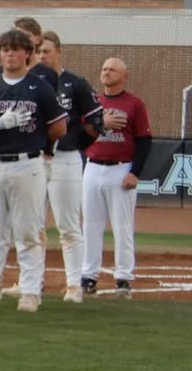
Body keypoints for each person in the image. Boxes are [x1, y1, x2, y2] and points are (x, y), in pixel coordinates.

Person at [0, 28, 67, 313]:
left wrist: (39, 142)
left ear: (27, 53)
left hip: (27, 162)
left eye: (16, 49)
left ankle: (30, 290)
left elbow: (59, 126)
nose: (10, 54)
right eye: (5, 49)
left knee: (28, 230)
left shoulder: (38, 86)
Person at [34, 31, 107, 303]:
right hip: (35, 159)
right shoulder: (30, 83)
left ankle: (74, 284)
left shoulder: (74, 83)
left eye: (47, 51)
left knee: (68, 225)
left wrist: (77, 143)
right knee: (32, 225)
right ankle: (32, 282)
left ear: (59, 51)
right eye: (39, 51)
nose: (42, 56)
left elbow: (95, 122)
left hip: (65, 158)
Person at [81, 57, 147, 299]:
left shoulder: (134, 104)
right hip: (93, 166)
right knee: (90, 225)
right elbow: (82, 132)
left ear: (124, 76)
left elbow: (144, 140)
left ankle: (123, 279)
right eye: (104, 69)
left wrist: (135, 172)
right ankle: (88, 277)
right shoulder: (92, 102)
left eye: (112, 69)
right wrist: (99, 123)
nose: (106, 73)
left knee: (122, 226)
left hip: (121, 168)